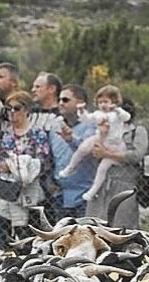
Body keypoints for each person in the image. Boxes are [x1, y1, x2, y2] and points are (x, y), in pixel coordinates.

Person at [0, 91, 52, 246]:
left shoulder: (37, 133)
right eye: (8, 109)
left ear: (27, 110)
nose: (12, 112)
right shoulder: (4, 130)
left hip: (27, 190)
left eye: (16, 108)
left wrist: (16, 166)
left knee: (26, 236)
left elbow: (44, 161)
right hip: (4, 189)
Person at [57, 85, 131, 203]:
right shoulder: (98, 113)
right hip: (99, 138)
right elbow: (87, 118)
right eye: (100, 102)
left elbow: (126, 117)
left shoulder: (117, 114)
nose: (103, 105)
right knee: (83, 148)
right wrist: (82, 110)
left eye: (106, 101)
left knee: (103, 167)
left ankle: (93, 191)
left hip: (114, 144)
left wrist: (117, 109)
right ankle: (70, 168)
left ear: (114, 101)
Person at [83, 97, 147, 228]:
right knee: (95, 226)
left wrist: (108, 154)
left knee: (121, 226)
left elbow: (136, 155)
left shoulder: (137, 131)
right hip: (101, 185)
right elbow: (92, 151)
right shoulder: (104, 129)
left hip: (124, 184)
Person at [50, 84, 98, 221]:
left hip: (84, 195)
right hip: (60, 195)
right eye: (59, 100)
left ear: (80, 103)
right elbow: (51, 158)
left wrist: (71, 140)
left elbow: (88, 152)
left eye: (65, 100)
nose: (60, 103)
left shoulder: (92, 125)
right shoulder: (55, 127)